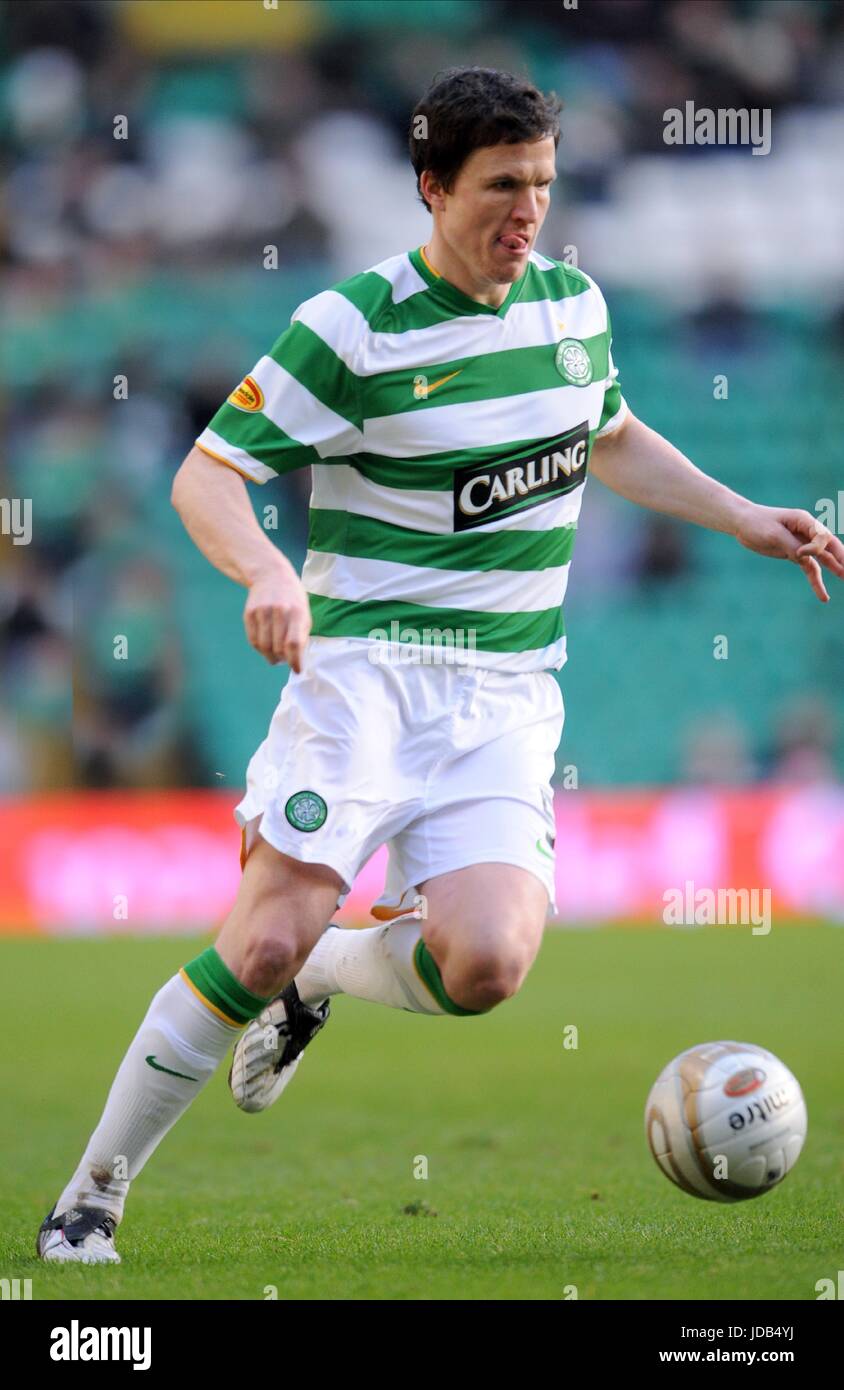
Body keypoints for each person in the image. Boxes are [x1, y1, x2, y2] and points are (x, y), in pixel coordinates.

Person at [38, 66, 844, 1264]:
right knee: (251, 944)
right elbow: (206, 475)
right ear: (429, 186)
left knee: (485, 965)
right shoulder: (351, 324)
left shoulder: (572, 308)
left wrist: (739, 514)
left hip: (507, 694)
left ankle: (324, 970)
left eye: (543, 186)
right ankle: (88, 1201)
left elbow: (606, 429)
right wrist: (266, 570)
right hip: (366, 676)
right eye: (501, 187)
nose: (527, 212)